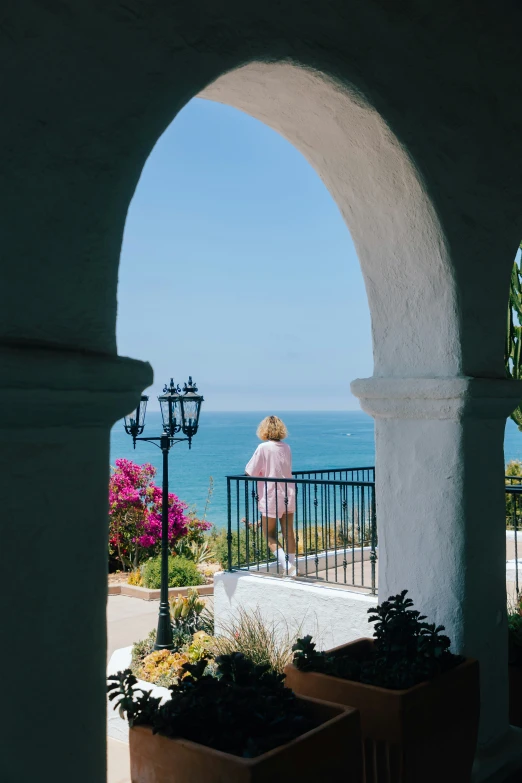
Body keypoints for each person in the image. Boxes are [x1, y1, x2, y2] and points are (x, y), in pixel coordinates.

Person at [245, 415, 297, 576]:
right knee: (288, 532)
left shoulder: (263, 448)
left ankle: (287, 566)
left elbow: (250, 471)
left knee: (269, 535)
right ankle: (292, 567)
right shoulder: (286, 447)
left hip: (271, 496)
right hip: (288, 492)